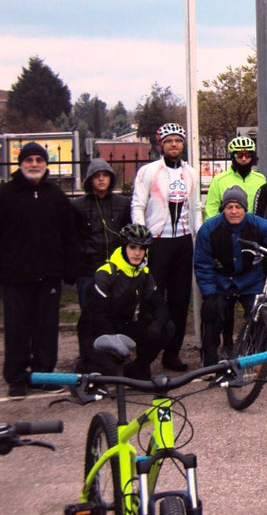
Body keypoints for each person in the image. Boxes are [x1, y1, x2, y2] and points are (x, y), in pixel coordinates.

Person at [0, 142, 80, 398]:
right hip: (15, 277)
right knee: (17, 328)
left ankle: (44, 374)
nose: (34, 164)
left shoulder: (55, 196)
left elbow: (69, 235)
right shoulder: (6, 194)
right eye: (29, 159)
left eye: (39, 159)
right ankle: (16, 377)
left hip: (49, 275)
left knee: (46, 327)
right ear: (20, 163)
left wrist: (70, 269)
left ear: (46, 164)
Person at [195, 186, 267, 366]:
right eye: (229, 207)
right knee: (212, 312)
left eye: (238, 207)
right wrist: (209, 293)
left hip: (250, 281)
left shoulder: (259, 224)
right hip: (221, 282)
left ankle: (256, 354)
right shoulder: (209, 229)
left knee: (261, 314)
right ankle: (209, 363)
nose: (234, 211)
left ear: (245, 209)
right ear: (223, 209)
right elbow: (202, 264)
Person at [131, 122, 201, 371]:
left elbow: (195, 208)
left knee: (180, 301)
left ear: (183, 145)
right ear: (161, 144)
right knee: (151, 300)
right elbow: (138, 205)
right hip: (156, 242)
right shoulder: (148, 171)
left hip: (182, 242)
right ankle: (145, 357)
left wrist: (198, 237)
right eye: (169, 140)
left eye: (178, 140)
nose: (174, 144)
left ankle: (172, 353)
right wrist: (141, 238)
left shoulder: (191, 172)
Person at [76, 224, 170, 380]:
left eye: (142, 248)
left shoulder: (144, 273)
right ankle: (89, 364)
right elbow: (98, 316)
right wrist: (117, 344)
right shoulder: (106, 273)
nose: (137, 253)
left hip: (124, 325)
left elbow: (159, 304)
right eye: (133, 247)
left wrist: (157, 326)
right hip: (96, 332)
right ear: (124, 247)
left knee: (167, 327)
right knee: (111, 372)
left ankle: (138, 367)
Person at [72, 158, 131, 310]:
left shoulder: (123, 203)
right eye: (96, 175)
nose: (101, 178)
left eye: (105, 175)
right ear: (90, 179)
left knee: (117, 313)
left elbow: (128, 234)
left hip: (116, 268)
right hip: (88, 269)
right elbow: (74, 237)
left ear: (111, 178)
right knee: (89, 314)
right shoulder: (78, 206)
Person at [205, 136, 266, 219]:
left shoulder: (261, 179)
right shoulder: (219, 180)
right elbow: (211, 212)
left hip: (254, 229)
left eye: (248, 155)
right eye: (240, 155)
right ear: (232, 156)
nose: (244, 159)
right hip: (228, 230)